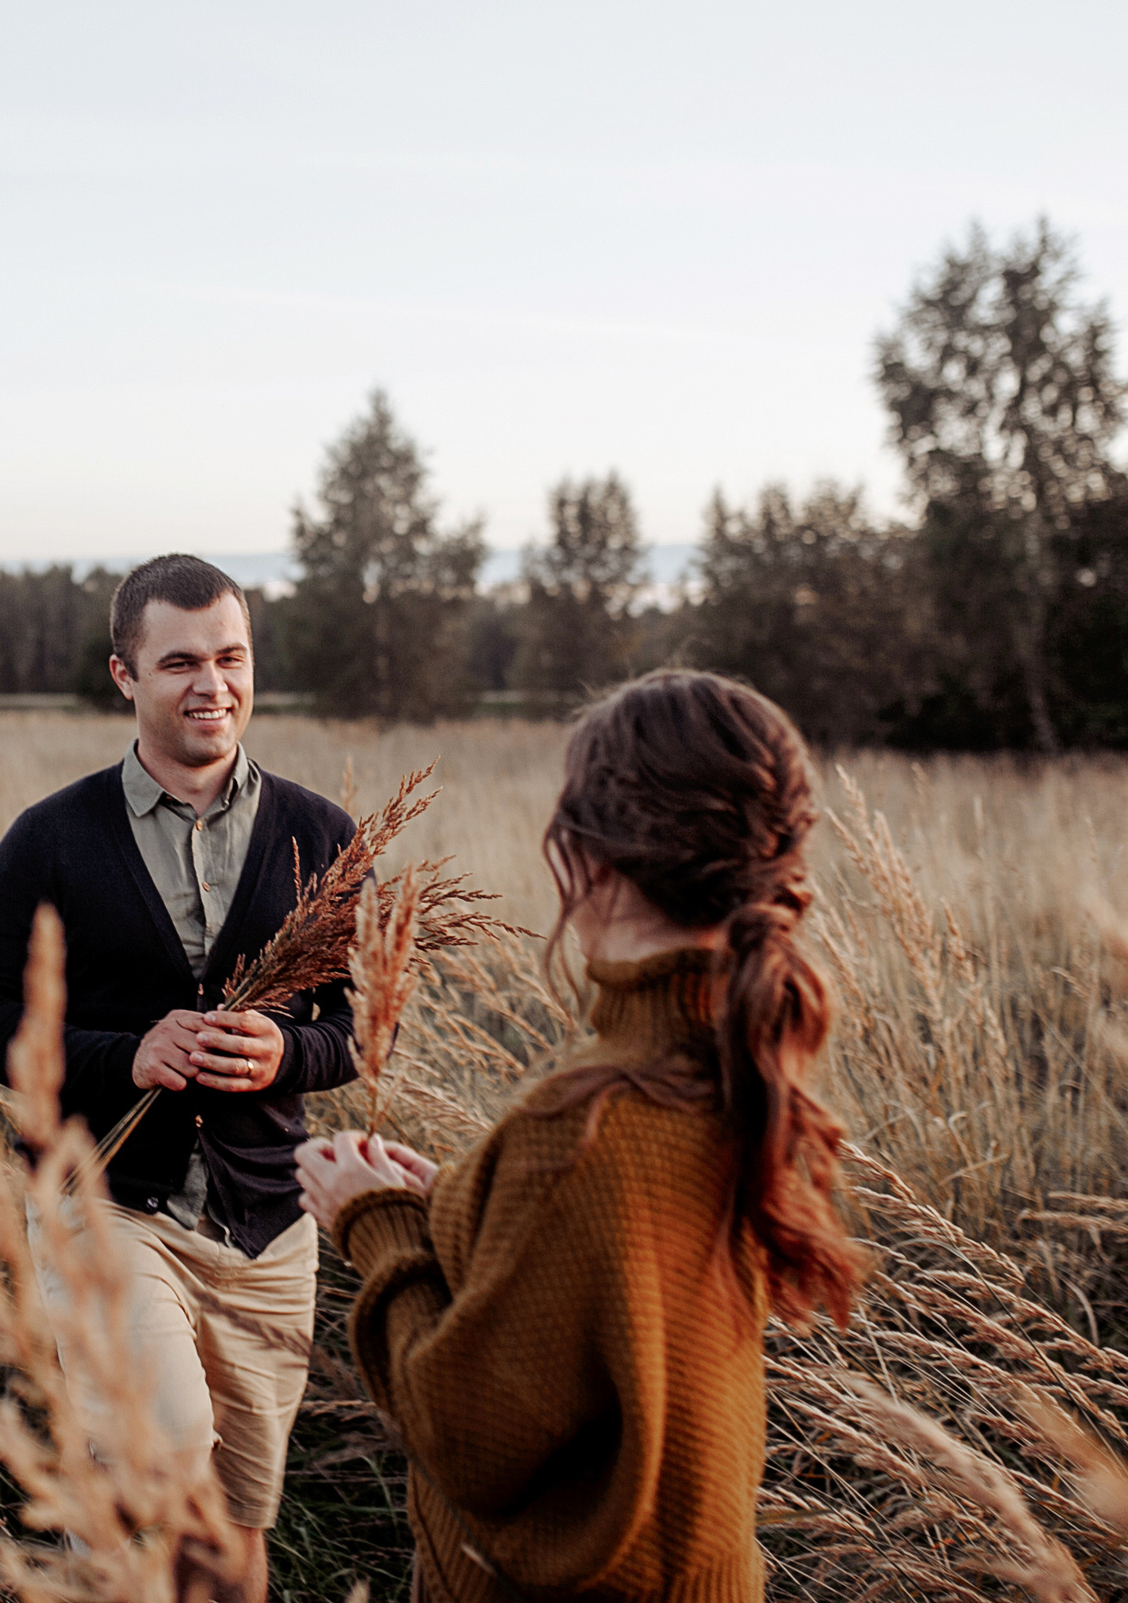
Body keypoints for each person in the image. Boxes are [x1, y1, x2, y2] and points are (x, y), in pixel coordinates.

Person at [295, 669, 865, 1603]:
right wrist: (460, 1206)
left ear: (592, 853)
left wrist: (379, 1228)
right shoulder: (735, 1067)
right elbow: (616, 1291)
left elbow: (466, 1438)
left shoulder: (588, 1127)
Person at [0, 553, 359, 1603]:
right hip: (108, 1205)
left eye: (231, 657)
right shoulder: (49, 839)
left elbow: (361, 1028)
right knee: (155, 1460)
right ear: (124, 675)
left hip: (268, 1224)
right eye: (180, 661)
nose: (212, 684)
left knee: (235, 1522)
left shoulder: (322, 837)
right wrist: (119, 1053)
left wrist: (290, 1051)